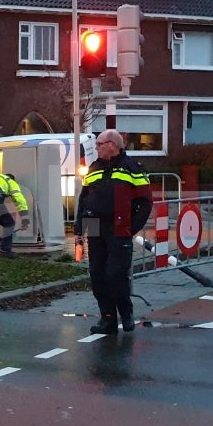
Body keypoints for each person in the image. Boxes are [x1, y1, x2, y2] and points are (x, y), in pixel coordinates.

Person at [75, 129, 152, 335]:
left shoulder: (132, 169)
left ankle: (126, 313)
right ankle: (107, 318)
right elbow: (83, 200)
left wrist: (131, 227)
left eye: (100, 144)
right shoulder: (93, 168)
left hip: (119, 227)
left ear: (113, 145)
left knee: (116, 275)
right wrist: (78, 230)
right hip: (93, 224)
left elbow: (145, 202)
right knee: (97, 275)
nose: (97, 148)